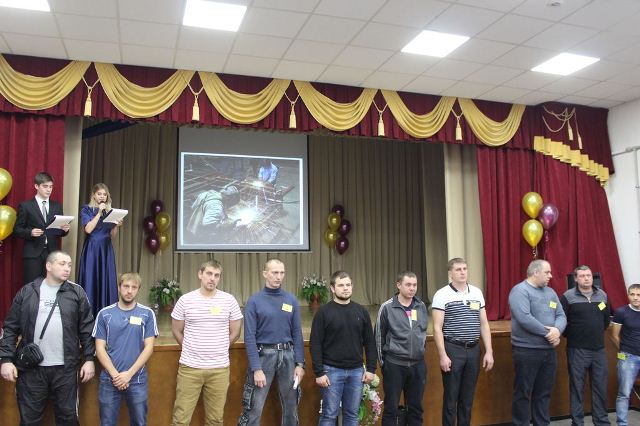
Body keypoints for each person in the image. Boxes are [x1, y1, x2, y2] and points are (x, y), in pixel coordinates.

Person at [0, 250, 96, 425]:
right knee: (29, 420)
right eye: (62, 264)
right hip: (31, 369)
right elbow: (10, 328)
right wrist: (6, 360)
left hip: (65, 369)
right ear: (48, 266)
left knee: (68, 419)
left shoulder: (76, 293)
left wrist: (89, 358)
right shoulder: (28, 291)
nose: (67, 268)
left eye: (69, 265)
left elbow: (87, 329)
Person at [171, 260, 243, 426]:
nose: (212, 278)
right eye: (209, 274)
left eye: (216, 275)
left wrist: (220, 347)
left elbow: (235, 333)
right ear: (200, 274)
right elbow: (176, 331)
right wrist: (190, 348)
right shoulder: (185, 300)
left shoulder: (229, 300)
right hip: (190, 368)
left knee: (215, 420)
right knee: (180, 419)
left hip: (219, 369)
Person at [238, 259, 305, 426]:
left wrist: (300, 363)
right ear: (265, 274)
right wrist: (256, 368)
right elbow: (249, 337)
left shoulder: (291, 299)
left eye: (282, 273)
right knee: (253, 407)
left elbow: (297, 333)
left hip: (288, 356)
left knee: (291, 407)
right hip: (263, 357)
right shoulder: (254, 301)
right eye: (275, 272)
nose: (279, 277)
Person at [310, 271, 377, 426]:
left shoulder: (361, 311)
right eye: (341, 285)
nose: (345, 288)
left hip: (356, 372)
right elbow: (315, 344)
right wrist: (319, 372)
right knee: (329, 415)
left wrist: (371, 369)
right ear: (333, 288)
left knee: (352, 415)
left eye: (348, 285)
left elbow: (370, 342)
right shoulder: (323, 312)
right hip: (331, 371)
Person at [432, 258, 494, 426]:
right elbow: (437, 328)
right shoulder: (442, 294)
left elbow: (484, 324)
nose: (462, 272)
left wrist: (489, 351)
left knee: (467, 399)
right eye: (458, 269)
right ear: (450, 273)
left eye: (465, 269)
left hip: (473, 350)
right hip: (453, 349)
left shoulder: (477, 293)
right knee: (451, 399)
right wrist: (442, 355)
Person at [93, 272, 158, 426]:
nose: (129, 291)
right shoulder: (105, 314)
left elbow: (149, 347)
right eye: (126, 286)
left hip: (137, 379)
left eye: (134, 287)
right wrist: (116, 376)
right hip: (110, 379)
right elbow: (99, 348)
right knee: (107, 423)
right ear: (119, 287)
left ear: (138, 290)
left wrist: (128, 375)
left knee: (139, 423)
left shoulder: (147, 314)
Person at [509, 259, 567, 426]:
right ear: (535, 272)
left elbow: (561, 315)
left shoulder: (551, 292)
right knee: (523, 393)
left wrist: (557, 331)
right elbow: (524, 318)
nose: (551, 276)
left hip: (548, 351)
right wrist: (549, 333)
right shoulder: (520, 291)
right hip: (526, 351)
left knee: (544, 393)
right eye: (547, 272)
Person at [375, 271, 428, 426]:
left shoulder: (421, 306)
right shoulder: (387, 307)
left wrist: (419, 353)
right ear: (398, 285)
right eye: (408, 285)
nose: (412, 288)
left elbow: (423, 333)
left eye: (415, 285)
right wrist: (384, 364)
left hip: (417, 365)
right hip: (395, 365)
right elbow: (378, 337)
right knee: (391, 408)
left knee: (416, 408)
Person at [560, 265, 611, 426]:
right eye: (582, 276)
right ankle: (577, 422)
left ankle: (601, 421)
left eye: (588, 275)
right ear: (576, 279)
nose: (586, 278)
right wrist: (575, 337)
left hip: (599, 350)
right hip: (577, 350)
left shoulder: (602, 295)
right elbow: (562, 321)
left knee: (600, 388)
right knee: (577, 388)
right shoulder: (568, 297)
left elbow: (605, 320)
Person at [13, 172, 70, 284]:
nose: (49, 190)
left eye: (51, 187)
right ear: (36, 186)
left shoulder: (57, 206)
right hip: (33, 254)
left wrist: (65, 230)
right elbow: (17, 230)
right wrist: (30, 232)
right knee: (33, 286)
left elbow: (59, 232)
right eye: (45, 186)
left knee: (53, 285)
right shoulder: (26, 206)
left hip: (52, 253)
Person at [78, 183, 123, 315]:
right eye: (99, 194)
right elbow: (88, 229)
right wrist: (98, 213)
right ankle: (88, 315)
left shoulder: (109, 212)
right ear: (94, 195)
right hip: (92, 249)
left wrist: (116, 225)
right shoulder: (86, 209)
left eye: (104, 194)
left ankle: (106, 314)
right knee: (90, 279)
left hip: (106, 249)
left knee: (106, 280)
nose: (102, 197)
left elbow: (112, 234)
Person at [611, 283, 640, 426]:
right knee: (624, 394)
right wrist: (624, 352)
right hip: (628, 357)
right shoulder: (621, 312)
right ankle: (622, 423)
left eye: (638, 295)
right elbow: (614, 337)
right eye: (632, 294)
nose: (635, 298)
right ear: (628, 295)